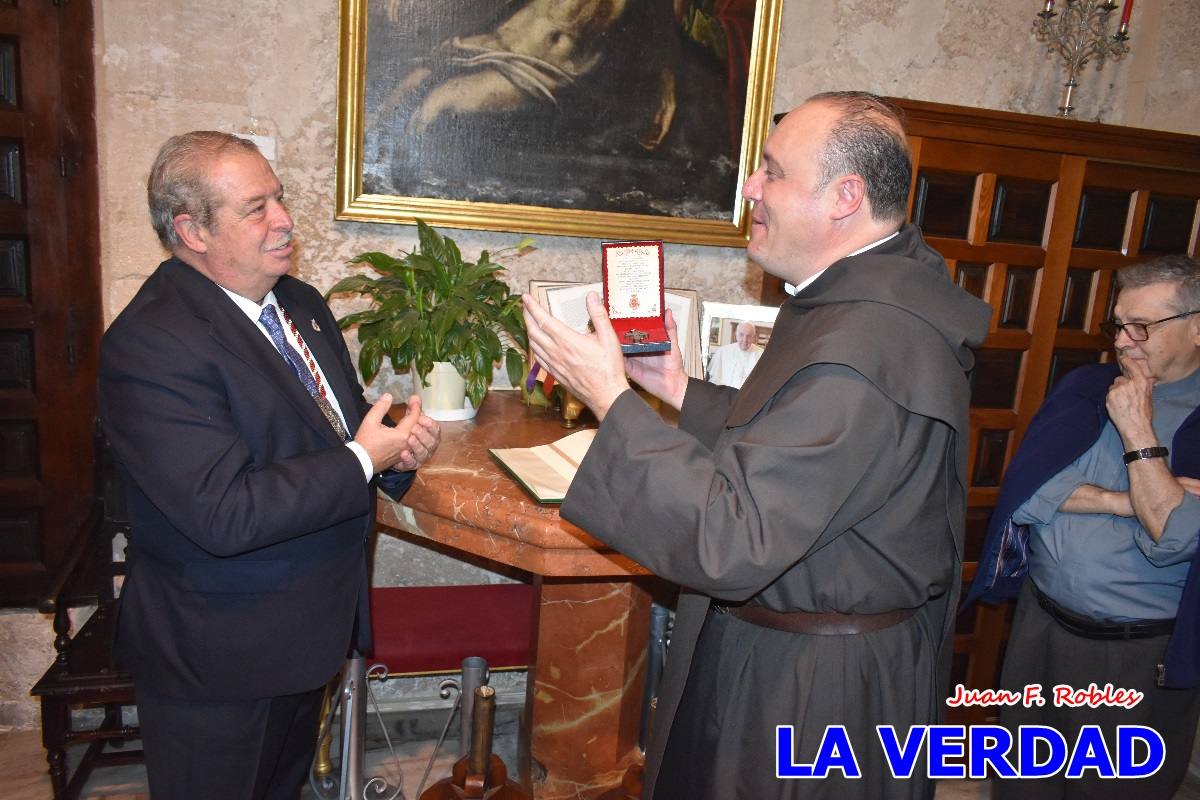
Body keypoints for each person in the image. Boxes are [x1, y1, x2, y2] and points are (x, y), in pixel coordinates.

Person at [522, 91, 991, 799]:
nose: (749, 187)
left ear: (844, 197)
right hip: (802, 650)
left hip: (811, 691)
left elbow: (733, 536)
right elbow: (802, 443)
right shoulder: (863, 299)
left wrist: (613, 398)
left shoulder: (867, 344)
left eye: (771, 171)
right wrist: (680, 389)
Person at [98, 131, 441, 800]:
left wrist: (395, 453)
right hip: (221, 657)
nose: (284, 219)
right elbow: (223, 512)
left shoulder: (301, 305)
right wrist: (361, 457)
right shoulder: (152, 343)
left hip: (307, 632)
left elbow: (337, 429)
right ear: (192, 229)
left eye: (278, 198)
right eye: (256, 208)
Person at [966, 255, 1200, 799]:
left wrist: (1138, 428)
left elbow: (1173, 539)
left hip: (1139, 658)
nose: (1123, 342)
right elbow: (1029, 492)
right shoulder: (1085, 386)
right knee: (1022, 784)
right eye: (1118, 323)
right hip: (1040, 629)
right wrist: (1128, 501)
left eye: (1143, 326)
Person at [706, 320, 763, 388]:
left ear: (753, 337)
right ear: (736, 335)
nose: (745, 340)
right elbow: (715, 380)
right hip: (725, 394)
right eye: (741, 335)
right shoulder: (723, 351)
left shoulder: (762, 354)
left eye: (749, 336)